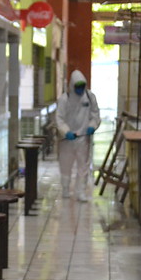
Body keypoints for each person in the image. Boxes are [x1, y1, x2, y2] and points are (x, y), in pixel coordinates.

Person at [55, 70, 101, 202]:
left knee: (83, 166)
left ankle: (80, 191)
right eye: (78, 86)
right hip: (67, 139)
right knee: (66, 165)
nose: (80, 89)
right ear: (72, 85)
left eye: (82, 86)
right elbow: (59, 118)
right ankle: (65, 188)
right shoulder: (65, 99)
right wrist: (65, 131)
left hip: (83, 138)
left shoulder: (89, 97)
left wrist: (92, 125)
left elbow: (95, 114)